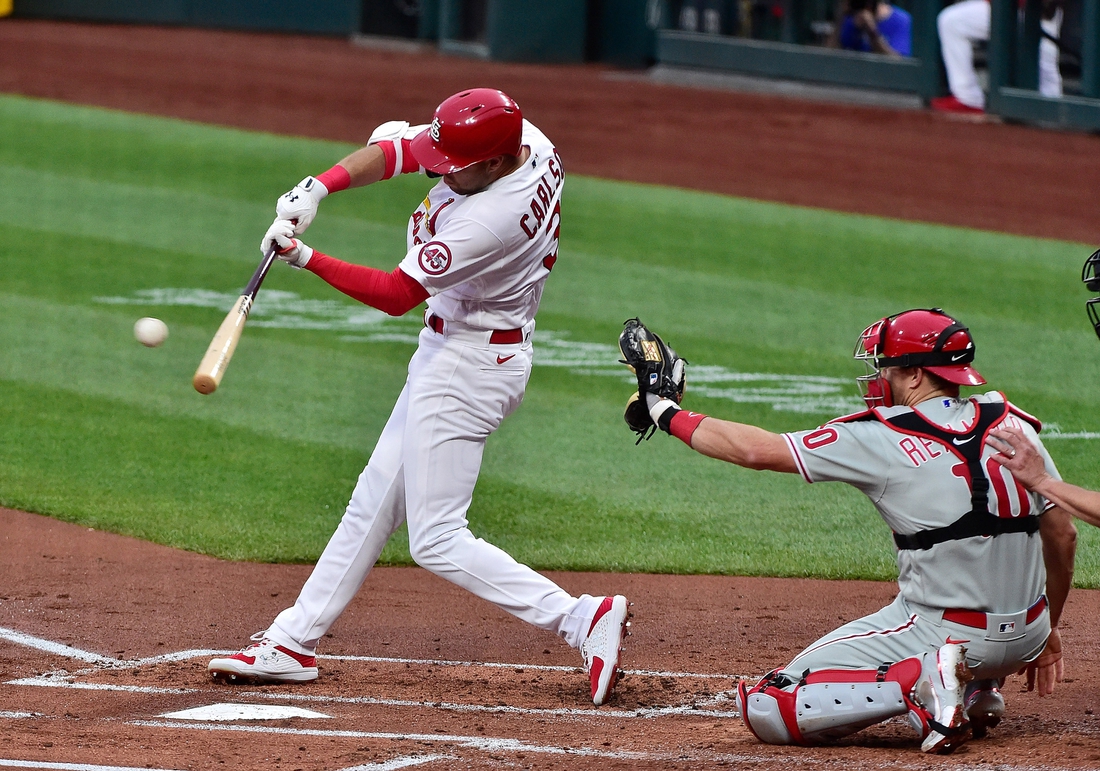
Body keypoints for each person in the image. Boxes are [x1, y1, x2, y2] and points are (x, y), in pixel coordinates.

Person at [207, 88, 631, 706]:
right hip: (466, 350)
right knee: (373, 500)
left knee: (434, 537)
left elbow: (396, 292)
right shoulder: (523, 140)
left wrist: (304, 256)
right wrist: (319, 187)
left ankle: (580, 618)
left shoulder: (493, 218)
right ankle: (293, 641)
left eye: (453, 166)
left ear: (491, 164)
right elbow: (404, 149)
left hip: (469, 364)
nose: (440, 170)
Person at [622, 308, 1076, 753]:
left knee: (768, 703)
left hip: (944, 634)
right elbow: (1063, 536)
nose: (879, 378)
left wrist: (663, 409)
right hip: (1030, 635)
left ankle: (924, 683)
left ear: (916, 376)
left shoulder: (880, 438)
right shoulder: (1013, 424)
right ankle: (979, 691)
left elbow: (755, 451)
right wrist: (1045, 628)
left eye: (886, 367)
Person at [932, 0, 1063, 114]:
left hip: (1040, 11)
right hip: (1004, 9)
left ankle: (1055, 113)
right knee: (952, 21)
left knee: (1047, 79)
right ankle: (967, 97)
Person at [829, 0, 912, 57]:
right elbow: (828, 54)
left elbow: (899, 63)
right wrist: (841, 17)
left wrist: (872, 31)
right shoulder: (850, 19)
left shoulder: (901, 20)